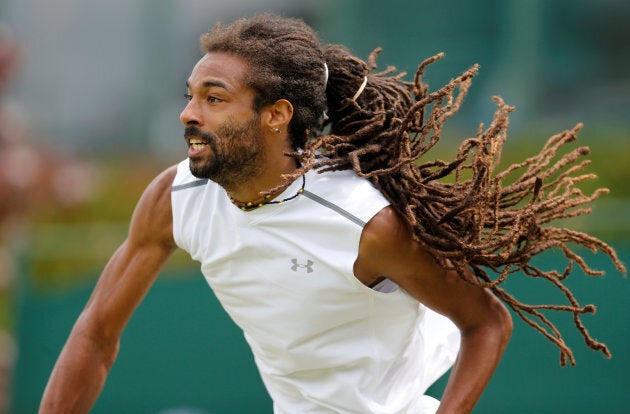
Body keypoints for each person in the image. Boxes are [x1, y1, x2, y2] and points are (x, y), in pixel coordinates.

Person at [39, 13, 623, 414]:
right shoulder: (174, 197)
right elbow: (95, 332)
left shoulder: (364, 224)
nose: (190, 113)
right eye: (191, 94)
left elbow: (486, 323)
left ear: (276, 115)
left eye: (214, 98)